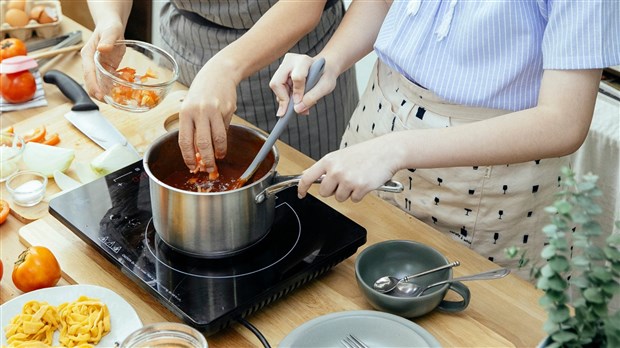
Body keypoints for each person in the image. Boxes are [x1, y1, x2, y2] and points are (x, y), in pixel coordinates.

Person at [270, 1, 620, 277]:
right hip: (377, 122)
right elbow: (382, 2)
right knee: (340, 279)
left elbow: (562, 122)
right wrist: (329, 62)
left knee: (467, 320)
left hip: (489, 170)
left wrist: (395, 149)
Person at [80, 0, 358, 175]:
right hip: (186, 43)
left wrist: (225, 67)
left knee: (303, 183)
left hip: (294, 61)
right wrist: (109, 18)